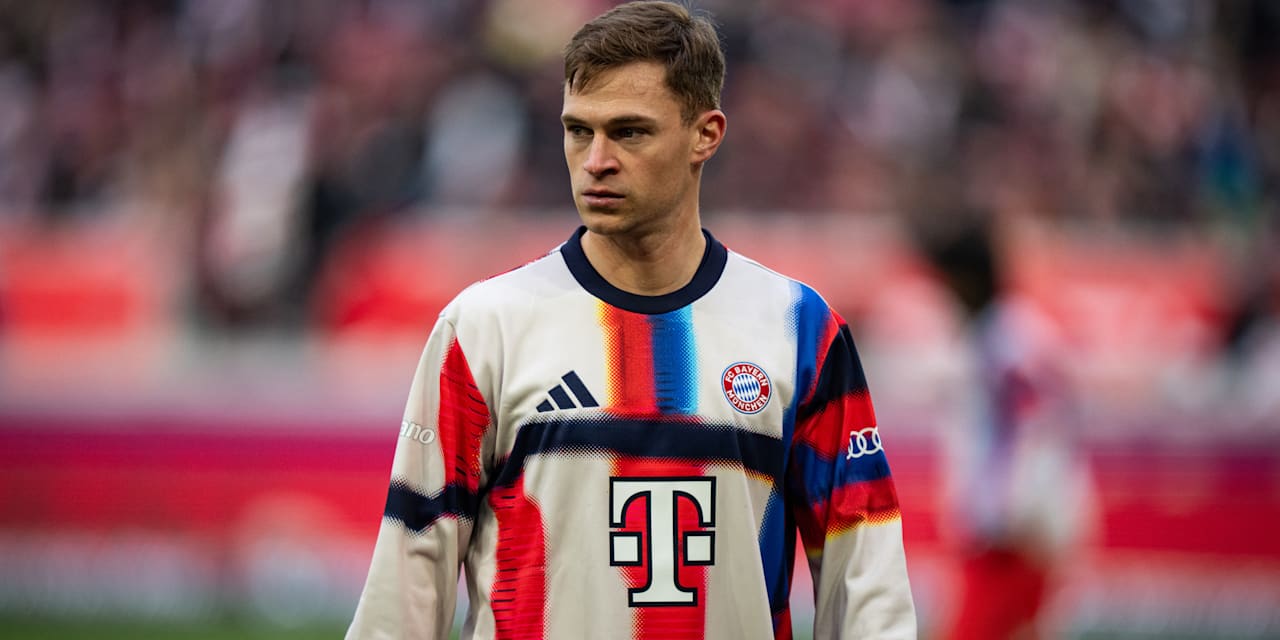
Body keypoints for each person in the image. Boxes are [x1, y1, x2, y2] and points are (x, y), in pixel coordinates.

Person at [346, 2, 916, 638]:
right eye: (578, 130)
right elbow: (408, 572)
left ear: (706, 133)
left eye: (630, 131)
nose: (596, 160)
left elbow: (867, 582)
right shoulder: (484, 327)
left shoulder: (800, 330)